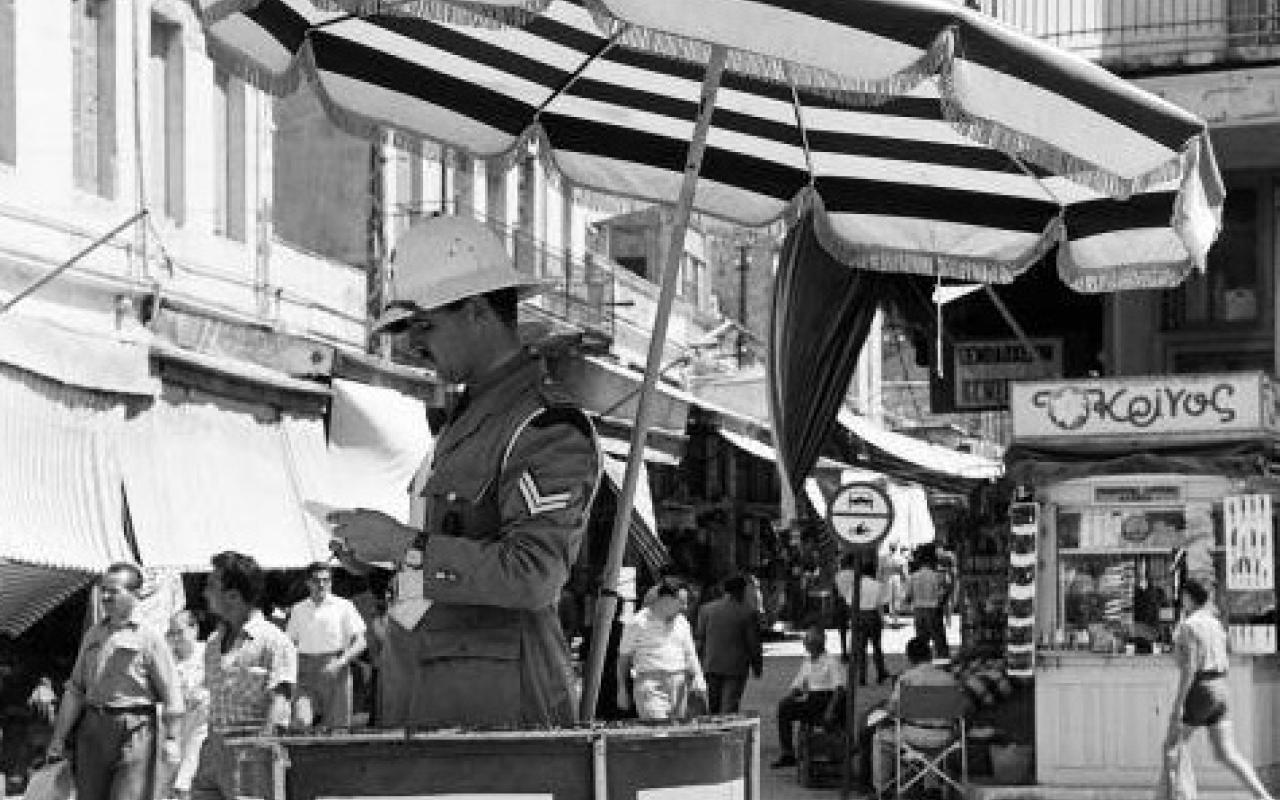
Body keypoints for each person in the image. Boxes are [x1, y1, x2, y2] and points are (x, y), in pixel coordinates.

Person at [329, 214, 602, 728]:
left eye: (425, 326)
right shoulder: (466, 420)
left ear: (477, 312)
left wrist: (401, 545)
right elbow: (454, 559)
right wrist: (382, 556)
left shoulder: (544, 425)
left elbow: (534, 576)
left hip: (499, 717)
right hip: (435, 699)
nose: (412, 345)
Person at [46, 562, 185, 800]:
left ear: (134, 595)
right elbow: (75, 690)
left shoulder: (149, 637)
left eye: (114, 591)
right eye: (103, 590)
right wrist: (58, 738)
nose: (106, 597)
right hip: (93, 727)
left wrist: (172, 740)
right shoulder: (93, 634)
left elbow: (172, 694)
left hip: (136, 728)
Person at [192, 551, 297, 800]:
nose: (205, 593)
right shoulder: (214, 642)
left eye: (211, 586)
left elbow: (280, 705)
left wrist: (261, 755)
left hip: (251, 754)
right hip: (213, 751)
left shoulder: (273, 642)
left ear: (233, 595)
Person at [1163, 578, 1274, 800]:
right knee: (1228, 753)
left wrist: (1177, 706)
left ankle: (1175, 797)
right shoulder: (1215, 623)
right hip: (1221, 688)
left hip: (1201, 688)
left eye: (1183, 596)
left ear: (1188, 597)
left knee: (1172, 747)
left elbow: (1190, 667)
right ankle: (1264, 797)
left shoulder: (1189, 625)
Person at [870, 636, 969, 790]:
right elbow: (961, 709)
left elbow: (893, 709)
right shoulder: (949, 679)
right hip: (944, 737)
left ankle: (881, 789)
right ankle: (932, 784)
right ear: (930, 655)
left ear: (909, 657)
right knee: (934, 738)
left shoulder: (906, 679)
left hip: (912, 737)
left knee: (879, 737)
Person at [286, 562, 368, 729]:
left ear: (331, 582)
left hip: (336, 668)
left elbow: (361, 642)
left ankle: (334, 754)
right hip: (305, 671)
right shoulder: (298, 609)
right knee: (301, 722)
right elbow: (290, 644)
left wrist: (341, 662)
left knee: (337, 729)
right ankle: (301, 754)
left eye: (326, 580)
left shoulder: (344, 606)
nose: (321, 585)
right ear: (308, 583)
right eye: (316, 580)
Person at [617, 583, 706, 720]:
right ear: (666, 599)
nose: (685, 608)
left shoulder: (682, 622)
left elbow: (690, 653)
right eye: (681, 603)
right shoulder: (637, 622)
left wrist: (699, 679)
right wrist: (622, 688)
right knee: (659, 733)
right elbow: (624, 657)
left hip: (679, 685)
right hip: (651, 685)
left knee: (676, 733)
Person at [771, 626, 845, 769]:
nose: (805, 644)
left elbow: (839, 690)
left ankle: (792, 753)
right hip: (811, 699)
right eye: (806, 641)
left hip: (826, 700)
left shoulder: (831, 662)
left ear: (819, 644)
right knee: (784, 707)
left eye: (808, 641)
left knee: (788, 706)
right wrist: (792, 695)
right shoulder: (808, 661)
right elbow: (798, 684)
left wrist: (830, 710)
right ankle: (787, 753)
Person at [695, 575, 763, 714]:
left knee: (712, 706)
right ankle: (725, 734)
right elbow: (753, 643)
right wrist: (757, 666)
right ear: (742, 591)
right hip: (735, 667)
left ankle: (713, 733)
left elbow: (700, 640)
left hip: (711, 665)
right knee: (729, 705)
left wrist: (697, 666)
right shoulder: (748, 613)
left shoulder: (706, 610)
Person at [163, 611, 209, 800]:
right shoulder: (165, 658)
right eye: (171, 633)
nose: (175, 638)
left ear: (194, 629)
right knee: (168, 778)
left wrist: (202, 695)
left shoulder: (208, 652)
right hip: (172, 726)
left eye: (179, 632)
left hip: (200, 725)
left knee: (188, 778)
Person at [905, 543, 949, 660]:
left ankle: (923, 665)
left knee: (922, 642)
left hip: (919, 612)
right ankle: (942, 666)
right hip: (934, 611)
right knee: (939, 643)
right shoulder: (938, 576)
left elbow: (908, 597)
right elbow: (943, 595)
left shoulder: (913, 577)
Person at [851, 560, 889, 685]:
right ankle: (880, 673)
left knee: (861, 648)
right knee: (877, 646)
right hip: (873, 615)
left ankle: (862, 677)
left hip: (860, 615)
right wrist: (882, 619)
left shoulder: (855, 585)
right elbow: (881, 604)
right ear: (873, 572)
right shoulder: (877, 585)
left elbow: (851, 602)